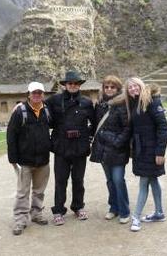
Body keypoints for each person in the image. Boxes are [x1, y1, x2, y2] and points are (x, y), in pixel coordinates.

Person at [45, 70, 95, 226]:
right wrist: (21, 105)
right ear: (65, 85)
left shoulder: (86, 102)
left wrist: (88, 138)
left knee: (78, 180)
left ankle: (78, 207)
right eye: (70, 83)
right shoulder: (54, 100)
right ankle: (59, 210)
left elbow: (94, 122)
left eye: (76, 83)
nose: (73, 85)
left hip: (80, 147)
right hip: (61, 147)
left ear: (79, 85)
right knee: (60, 180)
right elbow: (39, 111)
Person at [124, 78, 167, 232]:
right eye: (130, 87)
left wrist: (160, 152)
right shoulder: (134, 103)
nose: (133, 89)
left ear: (141, 85)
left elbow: (163, 127)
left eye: (135, 85)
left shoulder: (151, 101)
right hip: (141, 149)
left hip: (151, 150)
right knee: (153, 180)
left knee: (144, 182)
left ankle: (136, 217)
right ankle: (159, 212)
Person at [7, 82, 52, 236]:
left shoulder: (46, 110)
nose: (37, 95)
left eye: (39, 93)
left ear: (43, 94)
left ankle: (36, 214)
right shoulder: (20, 111)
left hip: (43, 160)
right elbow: (11, 135)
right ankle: (20, 220)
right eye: (34, 93)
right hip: (25, 161)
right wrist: (12, 157)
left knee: (39, 191)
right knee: (22, 192)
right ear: (29, 94)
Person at [90, 75, 131, 224]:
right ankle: (114, 208)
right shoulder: (100, 105)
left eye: (112, 87)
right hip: (103, 149)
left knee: (118, 180)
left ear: (118, 89)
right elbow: (95, 125)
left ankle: (124, 210)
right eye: (106, 87)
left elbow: (127, 128)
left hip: (118, 149)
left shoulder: (123, 104)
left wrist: (117, 142)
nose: (109, 89)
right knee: (109, 181)